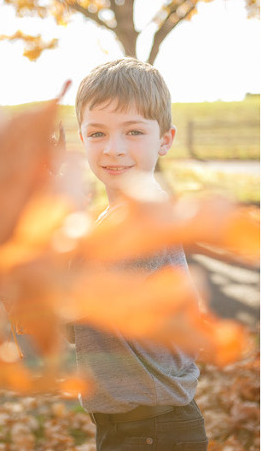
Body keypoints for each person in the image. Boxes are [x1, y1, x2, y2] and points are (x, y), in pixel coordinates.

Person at [73, 58, 208, 451]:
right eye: (97, 133)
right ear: (81, 138)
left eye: (133, 131)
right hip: (130, 426)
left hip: (154, 432)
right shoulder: (113, 218)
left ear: (165, 139)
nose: (113, 149)